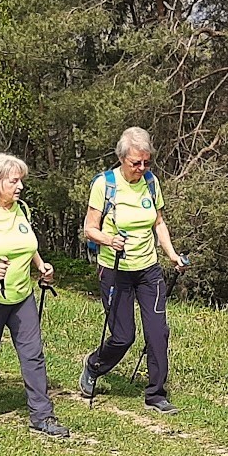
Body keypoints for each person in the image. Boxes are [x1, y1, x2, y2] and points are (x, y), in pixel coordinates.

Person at [0, 152, 68, 437]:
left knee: (33, 354)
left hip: (21, 296)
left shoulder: (22, 210)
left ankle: (42, 416)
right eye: (14, 181)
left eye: (21, 181)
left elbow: (27, 245)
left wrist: (41, 265)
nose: (20, 187)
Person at [78, 126, 187, 414]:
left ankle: (156, 394)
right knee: (123, 336)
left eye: (146, 162)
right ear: (122, 158)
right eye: (135, 163)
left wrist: (172, 254)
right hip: (115, 270)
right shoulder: (105, 184)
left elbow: (158, 223)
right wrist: (108, 239)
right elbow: (89, 229)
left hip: (148, 269)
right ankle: (94, 365)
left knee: (158, 332)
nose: (141, 168)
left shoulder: (151, 182)